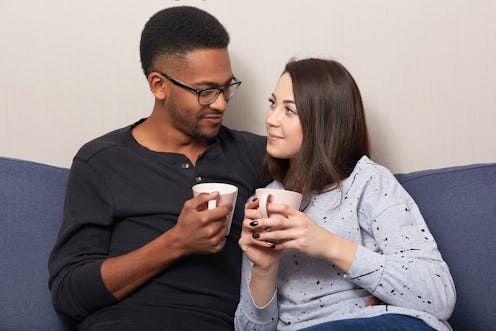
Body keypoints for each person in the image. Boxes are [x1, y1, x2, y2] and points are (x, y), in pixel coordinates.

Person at [48, 6, 271, 330]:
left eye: (227, 87)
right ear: (159, 85)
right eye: (206, 91)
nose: (221, 102)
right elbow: (68, 295)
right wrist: (177, 242)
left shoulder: (250, 153)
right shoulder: (101, 161)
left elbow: (340, 164)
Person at [234, 58, 456, 331]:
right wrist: (264, 269)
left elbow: (439, 296)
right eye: (272, 103)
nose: (271, 119)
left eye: (289, 110)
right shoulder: (265, 201)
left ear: (325, 122)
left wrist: (327, 244)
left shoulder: (369, 182)